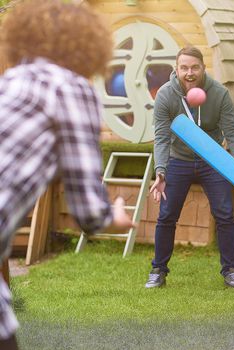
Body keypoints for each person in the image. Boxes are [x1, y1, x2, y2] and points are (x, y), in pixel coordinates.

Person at [0, 1, 135, 349]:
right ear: (87, 44)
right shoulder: (71, 88)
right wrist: (113, 217)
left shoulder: (9, 83)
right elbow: (89, 212)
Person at [147, 46, 234, 289]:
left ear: (203, 68)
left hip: (212, 160)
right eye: (184, 68)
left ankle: (230, 270)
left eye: (195, 67)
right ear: (177, 69)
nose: (189, 73)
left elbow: (232, 133)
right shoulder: (165, 95)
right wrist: (160, 169)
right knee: (167, 215)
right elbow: (161, 136)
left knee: (225, 214)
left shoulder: (219, 94)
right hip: (178, 159)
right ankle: (158, 270)